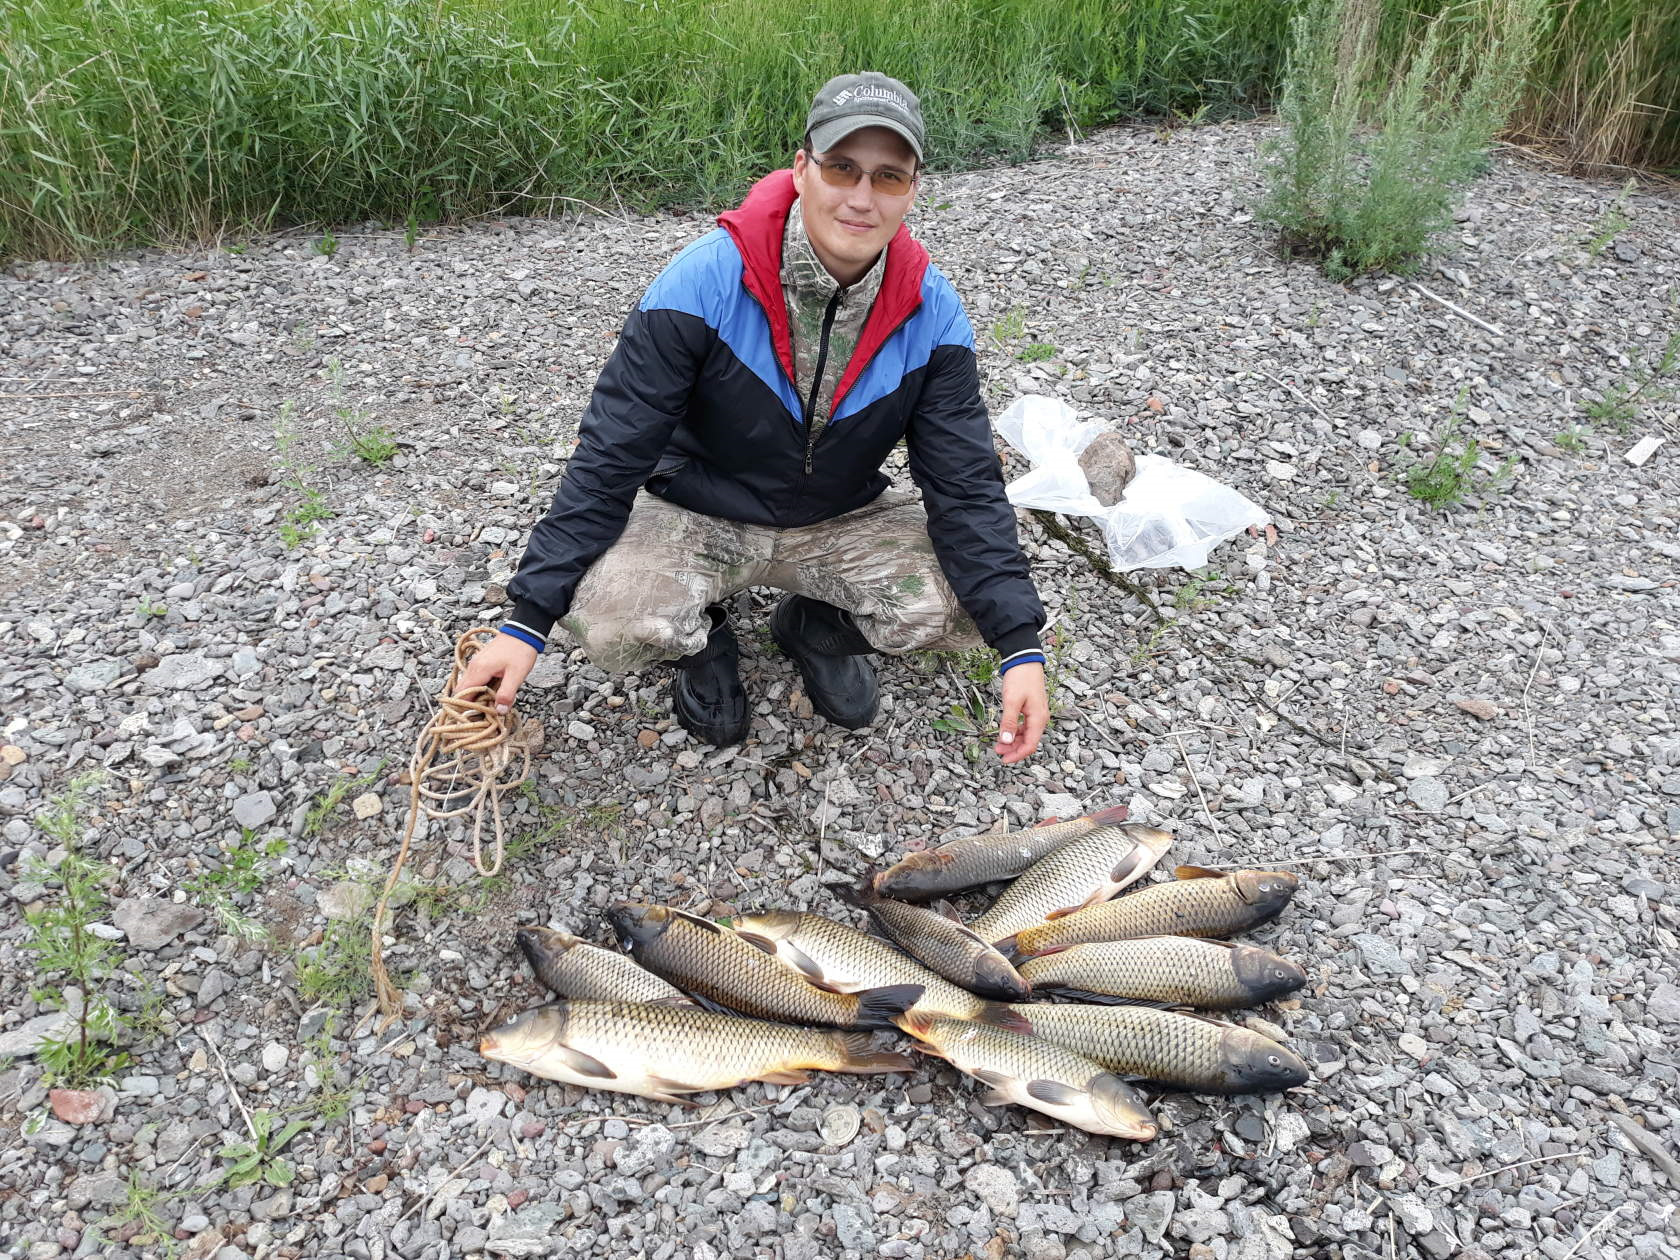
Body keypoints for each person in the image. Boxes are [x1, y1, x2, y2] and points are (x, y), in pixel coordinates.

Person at [459, 72, 1049, 764]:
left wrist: (1021, 647)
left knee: (967, 605)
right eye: (841, 168)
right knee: (611, 613)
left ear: (912, 190)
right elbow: (610, 454)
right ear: (802, 169)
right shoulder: (701, 281)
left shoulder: (934, 314)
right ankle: (702, 641)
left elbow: (965, 483)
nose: (861, 197)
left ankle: (816, 630)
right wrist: (525, 623)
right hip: (696, 507)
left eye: (888, 176)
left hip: (839, 514)